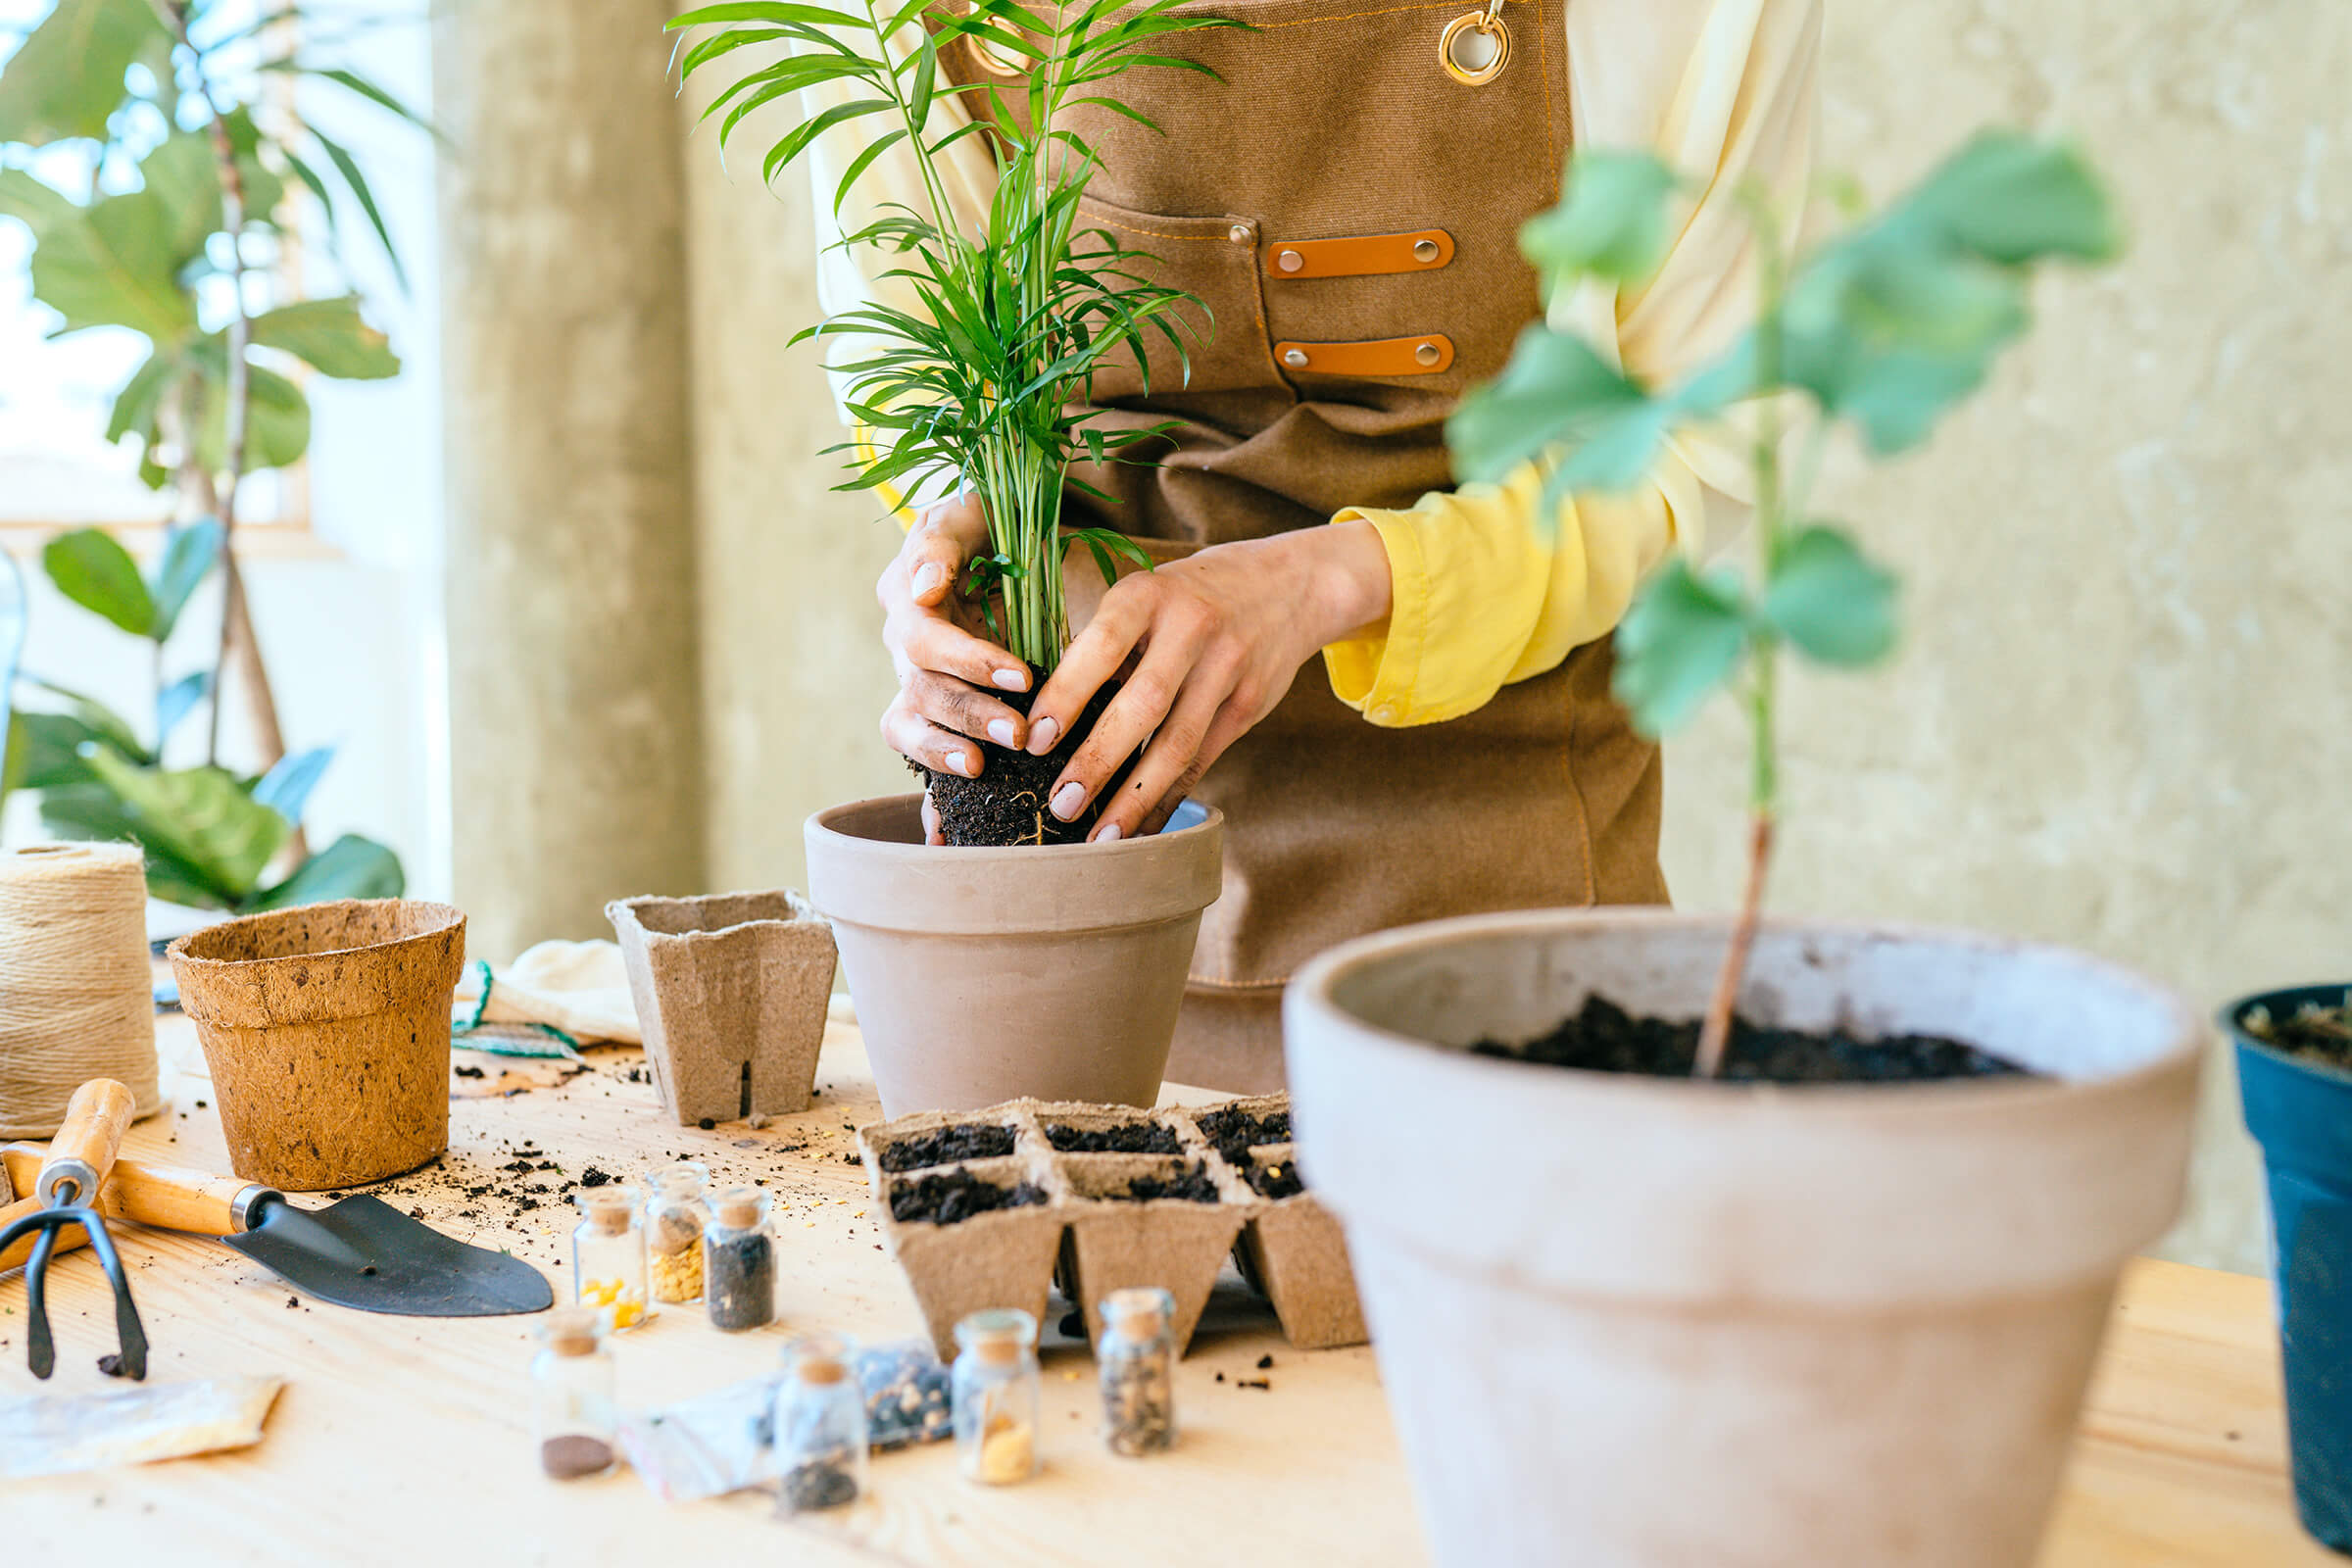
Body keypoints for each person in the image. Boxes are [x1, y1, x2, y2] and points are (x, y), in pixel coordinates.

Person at [811, 0, 1823, 1091]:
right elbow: (920, 355)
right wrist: (965, 544)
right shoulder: (897, 18)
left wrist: (1323, 582)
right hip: (1084, 952)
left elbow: (1693, 440)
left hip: (1508, 931)